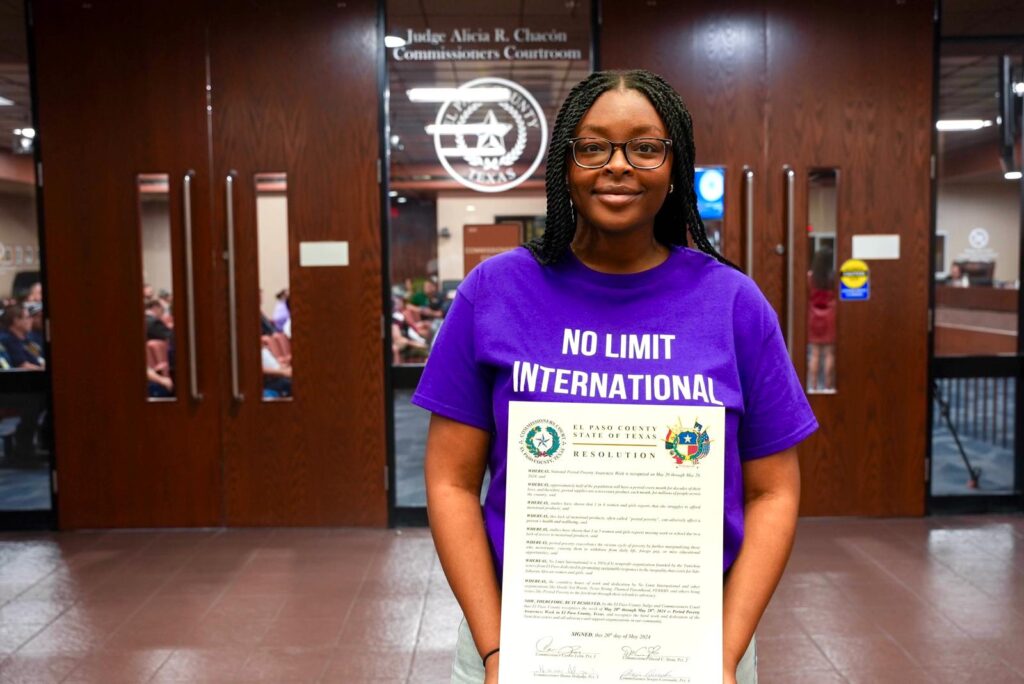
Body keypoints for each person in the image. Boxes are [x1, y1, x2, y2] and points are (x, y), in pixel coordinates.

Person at [413, 69, 817, 684]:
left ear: (675, 165)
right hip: (521, 642)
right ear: (565, 165)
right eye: (594, 146)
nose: (618, 166)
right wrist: (497, 652)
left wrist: (724, 656)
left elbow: (773, 493)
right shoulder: (493, 292)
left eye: (645, 147)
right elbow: (449, 483)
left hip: (697, 646)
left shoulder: (733, 303)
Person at [807, 248, 836, 391]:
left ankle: (813, 386)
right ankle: (827, 386)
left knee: (815, 353)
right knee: (829, 353)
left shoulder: (810, 277)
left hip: (814, 317)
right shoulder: (833, 278)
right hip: (830, 316)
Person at [0, 304, 44, 369]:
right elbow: (23, 365)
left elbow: (38, 357)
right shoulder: (7, 339)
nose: (31, 320)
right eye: (27, 317)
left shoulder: (25, 339)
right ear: (16, 321)